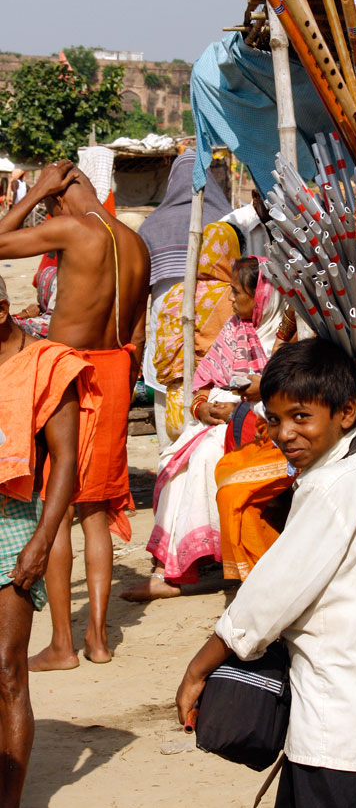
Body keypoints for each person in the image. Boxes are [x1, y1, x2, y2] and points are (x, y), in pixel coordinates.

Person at [176, 339, 356, 808]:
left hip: (339, 711)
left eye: (300, 416)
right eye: (274, 419)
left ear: (345, 412)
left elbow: (269, 597)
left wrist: (199, 667)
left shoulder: (335, 487)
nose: (284, 433)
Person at [0, 159, 150, 668]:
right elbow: (137, 336)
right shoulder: (135, 241)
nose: (45, 210)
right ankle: (99, 640)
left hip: (69, 374)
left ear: (60, 195)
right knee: (96, 514)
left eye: (47, 202)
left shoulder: (71, 228)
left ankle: (63, 644)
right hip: (115, 369)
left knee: (57, 508)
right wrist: (121, 385)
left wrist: (32, 192)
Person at [0, 275, 101, 808]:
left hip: (15, 520)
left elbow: (62, 459)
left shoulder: (45, 365)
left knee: (9, 667)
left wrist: (43, 539)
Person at [121, 257, 284, 600]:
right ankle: (180, 561)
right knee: (172, 459)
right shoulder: (235, 329)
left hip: (265, 431)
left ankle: (197, 566)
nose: (230, 299)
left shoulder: (285, 337)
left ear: (262, 298)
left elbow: (288, 400)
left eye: (238, 292)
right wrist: (203, 407)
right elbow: (203, 386)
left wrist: (240, 411)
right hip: (227, 421)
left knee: (208, 454)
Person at [139, 149, 232, 450]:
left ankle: (170, 479)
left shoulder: (152, 224)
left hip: (167, 343)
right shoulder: (226, 221)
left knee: (169, 414)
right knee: (215, 425)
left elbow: (141, 291)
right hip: (216, 338)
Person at [152, 220, 241, 442]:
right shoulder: (235, 298)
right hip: (216, 403)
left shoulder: (175, 294)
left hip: (176, 406)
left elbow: (163, 361)